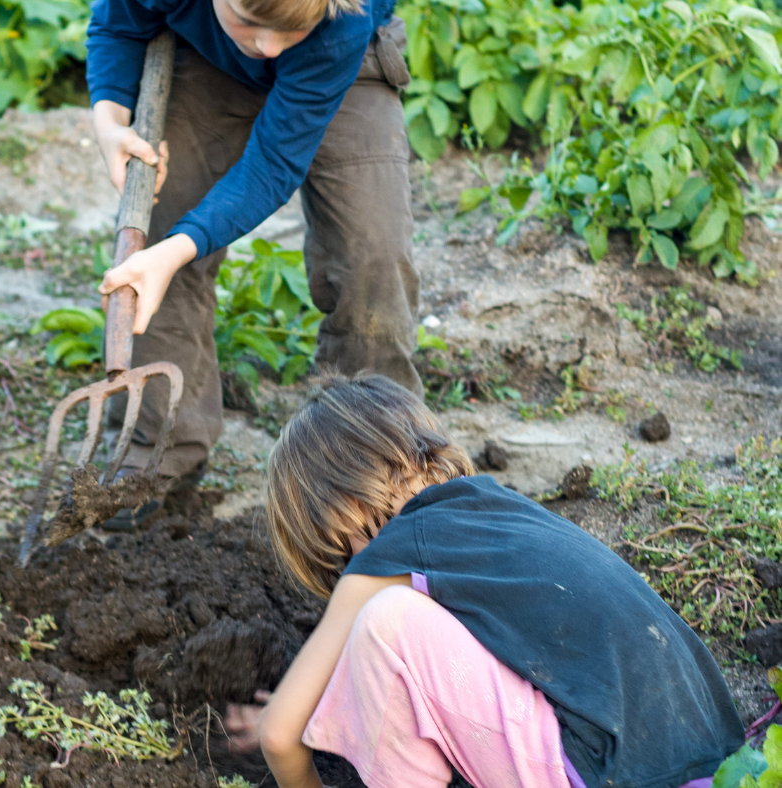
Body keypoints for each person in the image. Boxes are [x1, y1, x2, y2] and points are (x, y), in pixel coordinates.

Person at [223, 374, 745, 788]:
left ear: (343, 509)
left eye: (339, 553)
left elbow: (279, 737)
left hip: (605, 770)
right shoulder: (502, 516)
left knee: (384, 623)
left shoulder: (390, 549)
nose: (348, 568)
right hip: (711, 763)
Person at [88, 0, 422, 527]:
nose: (266, 47)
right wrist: (109, 123)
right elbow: (118, 24)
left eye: (286, 30)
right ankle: (155, 449)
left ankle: (376, 460)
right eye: (249, 22)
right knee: (157, 237)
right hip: (208, 61)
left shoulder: (343, 13)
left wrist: (179, 249)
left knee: (372, 258)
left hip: (344, 67)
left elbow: (274, 163)